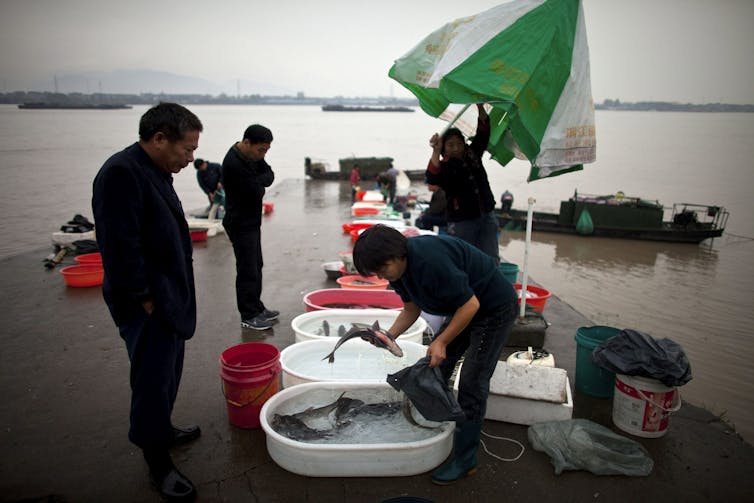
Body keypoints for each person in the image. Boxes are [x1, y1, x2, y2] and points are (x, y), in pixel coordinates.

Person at [92, 102, 203, 501]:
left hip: (168, 296)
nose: (191, 159)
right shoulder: (121, 173)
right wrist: (144, 298)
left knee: (169, 370)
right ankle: (157, 460)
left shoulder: (156, 169)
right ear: (159, 139)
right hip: (146, 302)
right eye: (186, 150)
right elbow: (119, 246)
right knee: (151, 379)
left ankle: (164, 428)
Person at [352, 224, 517, 485]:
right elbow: (411, 309)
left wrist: (441, 340)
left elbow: (472, 304)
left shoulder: (430, 259)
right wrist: (388, 336)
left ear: (398, 254)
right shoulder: (399, 273)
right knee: (435, 365)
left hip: (493, 308)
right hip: (463, 307)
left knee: (473, 380)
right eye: (377, 273)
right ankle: (439, 419)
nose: (383, 277)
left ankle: (466, 459)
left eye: (382, 269)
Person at [222, 124, 279, 330]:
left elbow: (269, 175)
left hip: (252, 222)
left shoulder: (253, 156)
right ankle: (248, 315)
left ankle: (257, 307)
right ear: (246, 142)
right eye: (261, 149)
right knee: (247, 270)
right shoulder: (233, 164)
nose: (262, 154)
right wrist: (259, 182)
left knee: (257, 265)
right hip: (239, 223)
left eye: (266, 151)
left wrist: (259, 180)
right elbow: (257, 192)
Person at [427, 103, 499, 262]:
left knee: (491, 258)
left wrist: (480, 107)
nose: (455, 148)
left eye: (459, 144)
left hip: (487, 214)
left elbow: (483, 133)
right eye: (450, 145)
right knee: (464, 259)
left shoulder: (473, 154)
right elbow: (432, 178)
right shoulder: (444, 166)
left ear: (464, 144)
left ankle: (489, 286)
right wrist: (435, 151)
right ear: (444, 148)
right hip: (462, 221)